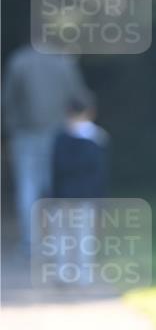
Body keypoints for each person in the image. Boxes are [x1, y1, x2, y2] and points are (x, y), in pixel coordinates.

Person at [2, 43, 89, 251]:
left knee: (27, 187)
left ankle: (30, 244)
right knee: (54, 188)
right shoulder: (63, 62)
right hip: (58, 134)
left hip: (24, 133)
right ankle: (56, 243)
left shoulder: (18, 61)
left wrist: (11, 125)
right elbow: (79, 96)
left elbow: (7, 99)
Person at [49, 95, 110, 286]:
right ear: (90, 112)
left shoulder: (60, 137)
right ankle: (84, 275)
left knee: (62, 237)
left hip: (64, 196)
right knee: (84, 236)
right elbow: (100, 174)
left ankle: (63, 273)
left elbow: (55, 170)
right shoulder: (98, 138)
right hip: (87, 197)